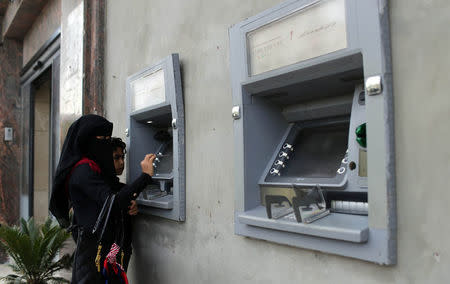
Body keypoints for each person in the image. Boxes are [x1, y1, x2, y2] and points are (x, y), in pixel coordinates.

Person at [49, 114, 156, 283]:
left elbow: (113, 193)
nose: (106, 143)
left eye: (108, 138)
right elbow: (112, 202)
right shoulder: (83, 170)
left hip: (107, 250)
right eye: (103, 138)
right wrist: (145, 177)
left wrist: (130, 201)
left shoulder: (92, 168)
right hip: (94, 253)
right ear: (88, 140)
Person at [111, 137, 136, 271]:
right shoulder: (99, 188)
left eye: (123, 158)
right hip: (111, 252)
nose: (121, 162)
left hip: (123, 250)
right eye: (116, 158)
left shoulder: (122, 188)